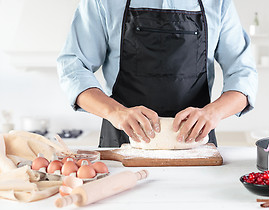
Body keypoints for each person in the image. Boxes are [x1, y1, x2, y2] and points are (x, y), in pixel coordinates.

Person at [57, 0, 258, 148]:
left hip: (194, 145)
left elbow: (243, 72)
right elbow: (73, 67)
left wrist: (214, 112)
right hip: (124, 143)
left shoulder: (218, 3)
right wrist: (115, 112)